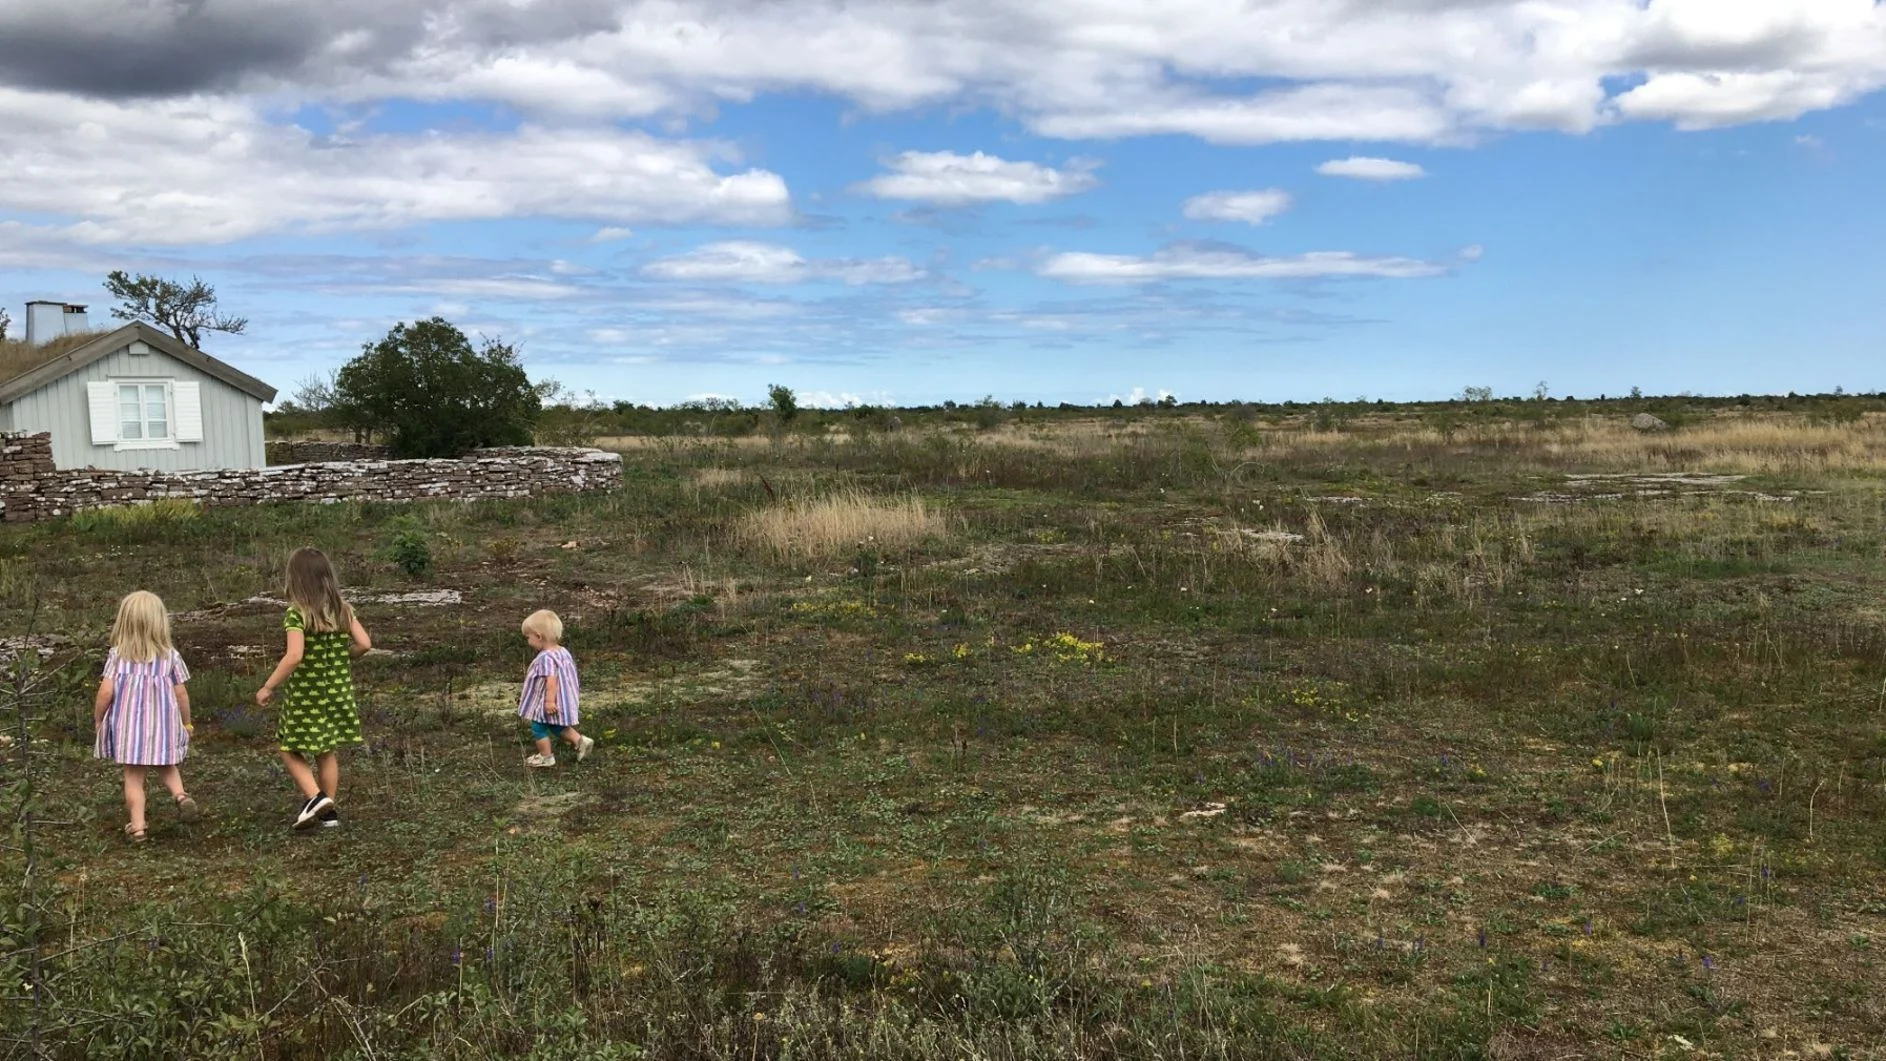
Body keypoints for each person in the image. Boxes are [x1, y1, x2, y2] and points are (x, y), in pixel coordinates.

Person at [256, 548, 371, 830]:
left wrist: (268, 686)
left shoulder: (297, 614)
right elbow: (365, 643)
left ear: (295, 580)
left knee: (287, 746)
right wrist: (344, 658)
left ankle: (315, 796)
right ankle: (328, 813)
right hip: (337, 693)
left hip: (307, 696)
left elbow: (294, 656)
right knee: (326, 750)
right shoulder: (343, 609)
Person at [94, 590, 199, 843]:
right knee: (167, 765)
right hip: (162, 727)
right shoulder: (170, 657)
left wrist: (99, 719)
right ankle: (181, 796)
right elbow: (181, 693)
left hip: (130, 732)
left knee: (133, 776)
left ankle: (138, 827)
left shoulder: (117, 656)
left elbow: (105, 691)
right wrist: (186, 722)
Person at [518, 609, 594, 768]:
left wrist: (549, 702)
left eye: (528, 637)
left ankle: (546, 757)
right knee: (556, 725)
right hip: (563, 699)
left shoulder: (546, 657)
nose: (527, 641)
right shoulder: (562, 651)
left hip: (549, 700)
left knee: (538, 727)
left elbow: (551, 680)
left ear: (538, 636)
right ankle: (580, 741)